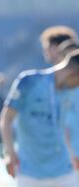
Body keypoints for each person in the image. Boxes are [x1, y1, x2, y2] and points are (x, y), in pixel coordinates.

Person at [0, 41, 79, 186]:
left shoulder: (68, 91)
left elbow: (63, 128)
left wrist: (73, 155)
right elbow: (6, 119)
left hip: (65, 171)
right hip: (30, 173)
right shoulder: (28, 81)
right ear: (74, 73)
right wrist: (10, 153)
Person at [40, 26, 79, 174]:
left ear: (55, 47)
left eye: (46, 47)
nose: (45, 52)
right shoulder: (50, 82)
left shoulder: (68, 83)